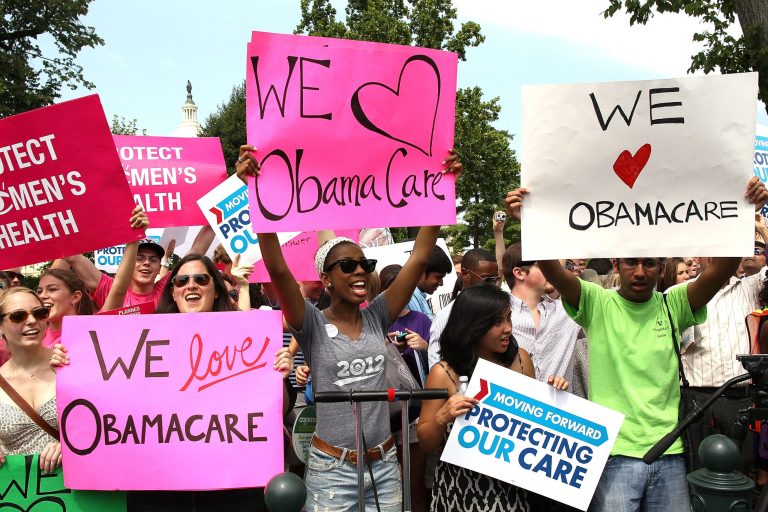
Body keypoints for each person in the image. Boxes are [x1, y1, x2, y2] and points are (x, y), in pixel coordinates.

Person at [505, 177, 768, 512]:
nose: (640, 272)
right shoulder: (596, 303)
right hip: (613, 455)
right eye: (631, 262)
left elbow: (721, 270)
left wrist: (742, 215)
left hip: (671, 454)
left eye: (649, 263)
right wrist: (531, 223)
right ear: (616, 266)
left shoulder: (675, 304)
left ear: (662, 268)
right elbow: (553, 271)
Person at [239, 141, 462, 511]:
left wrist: (444, 184)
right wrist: (256, 190)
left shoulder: (377, 314)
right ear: (325, 279)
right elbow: (278, 268)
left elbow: (421, 254)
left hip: (387, 465)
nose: (360, 269)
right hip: (332, 472)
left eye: (365, 263)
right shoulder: (309, 322)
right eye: (347, 265)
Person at [53, 253, 294, 512]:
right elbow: (107, 396)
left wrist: (275, 376)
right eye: (181, 281)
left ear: (215, 290)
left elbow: (276, 410)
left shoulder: (247, 339)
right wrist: (71, 363)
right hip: (161, 492)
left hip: (232, 491)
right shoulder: (140, 342)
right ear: (173, 292)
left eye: (201, 279)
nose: (191, 285)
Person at [417, 285, 568, 512]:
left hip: (517, 494)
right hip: (463, 492)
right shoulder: (444, 372)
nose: (508, 328)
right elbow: (426, 442)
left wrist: (555, 396)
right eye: (497, 322)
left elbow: (537, 426)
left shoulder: (521, 360)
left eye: (508, 318)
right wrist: (442, 417)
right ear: (472, 325)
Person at [0, 288, 61, 475]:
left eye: (39, 312)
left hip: (80, 494)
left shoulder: (69, 364)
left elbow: (108, 425)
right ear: (1, 326)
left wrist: (73, 446)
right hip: (19, 498)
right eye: (18, 316)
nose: (32, 320)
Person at [427, 248, 500, 369]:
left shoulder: (498, 311)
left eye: (496, 280)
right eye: (487, 279)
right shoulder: (446, 317)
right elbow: (436, 367)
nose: (493, 285)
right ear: (466, 274)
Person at [407, 246, 453, 320]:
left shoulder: (419, 297)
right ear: (421, 271)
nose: (441, 284)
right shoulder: (409, 300)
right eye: (438, 277)